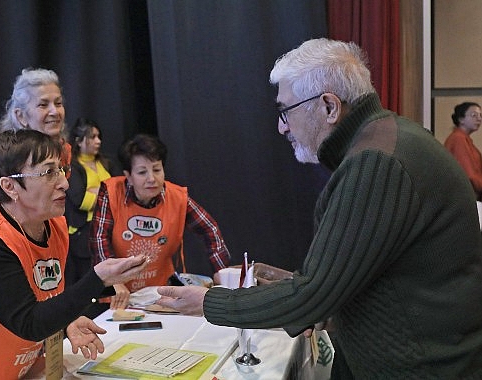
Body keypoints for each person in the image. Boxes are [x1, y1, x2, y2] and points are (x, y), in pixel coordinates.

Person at [156, 38, 482, 379]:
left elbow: (315, 296)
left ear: (329, 107)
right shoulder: (389, 139)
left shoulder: (375, 162)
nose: (282, 126)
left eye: (286, 111)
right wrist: (290, 284)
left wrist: (208, 302)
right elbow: (355, 277)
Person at [0, 129, 147, 379]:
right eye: (48, 173)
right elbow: (28, 322)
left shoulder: (54, 225)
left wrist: (66, 323)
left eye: (62, 170)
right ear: (10, 186)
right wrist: (97, 279)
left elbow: (43, 295)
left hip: (7, 364)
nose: (65, 183)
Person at [91, 134, 231, 310]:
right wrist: (112, 281)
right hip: (119, 297)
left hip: (162, 294)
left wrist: (221, 271)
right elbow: (99, 240)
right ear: (128, 175)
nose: (152, 178)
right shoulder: (111, 193)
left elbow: (209, 228)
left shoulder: (177, 197)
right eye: (142, 172)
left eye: (157, 170)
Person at [0, 68, 72, 235]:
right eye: (43, 104)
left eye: (58, 103)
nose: (55, 111)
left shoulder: (62, 152)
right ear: (20, 116)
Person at [64, 118, 119, 287]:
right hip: (83, 232)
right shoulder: (72, 166)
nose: (98, 141)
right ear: (79, 141)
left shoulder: (105, 162)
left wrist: (96, 192)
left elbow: (118, 192)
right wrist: (105, 194)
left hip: (110, 226)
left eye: (98, 136)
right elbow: (81, 201)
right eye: (92, 137)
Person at [444, 102, 482, 200]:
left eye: (480, 115)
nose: (479, 119)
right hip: (464, 197)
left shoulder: (461, 138)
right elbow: (469, 174)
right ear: (461, 119)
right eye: (474, 115)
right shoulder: (458, 139)